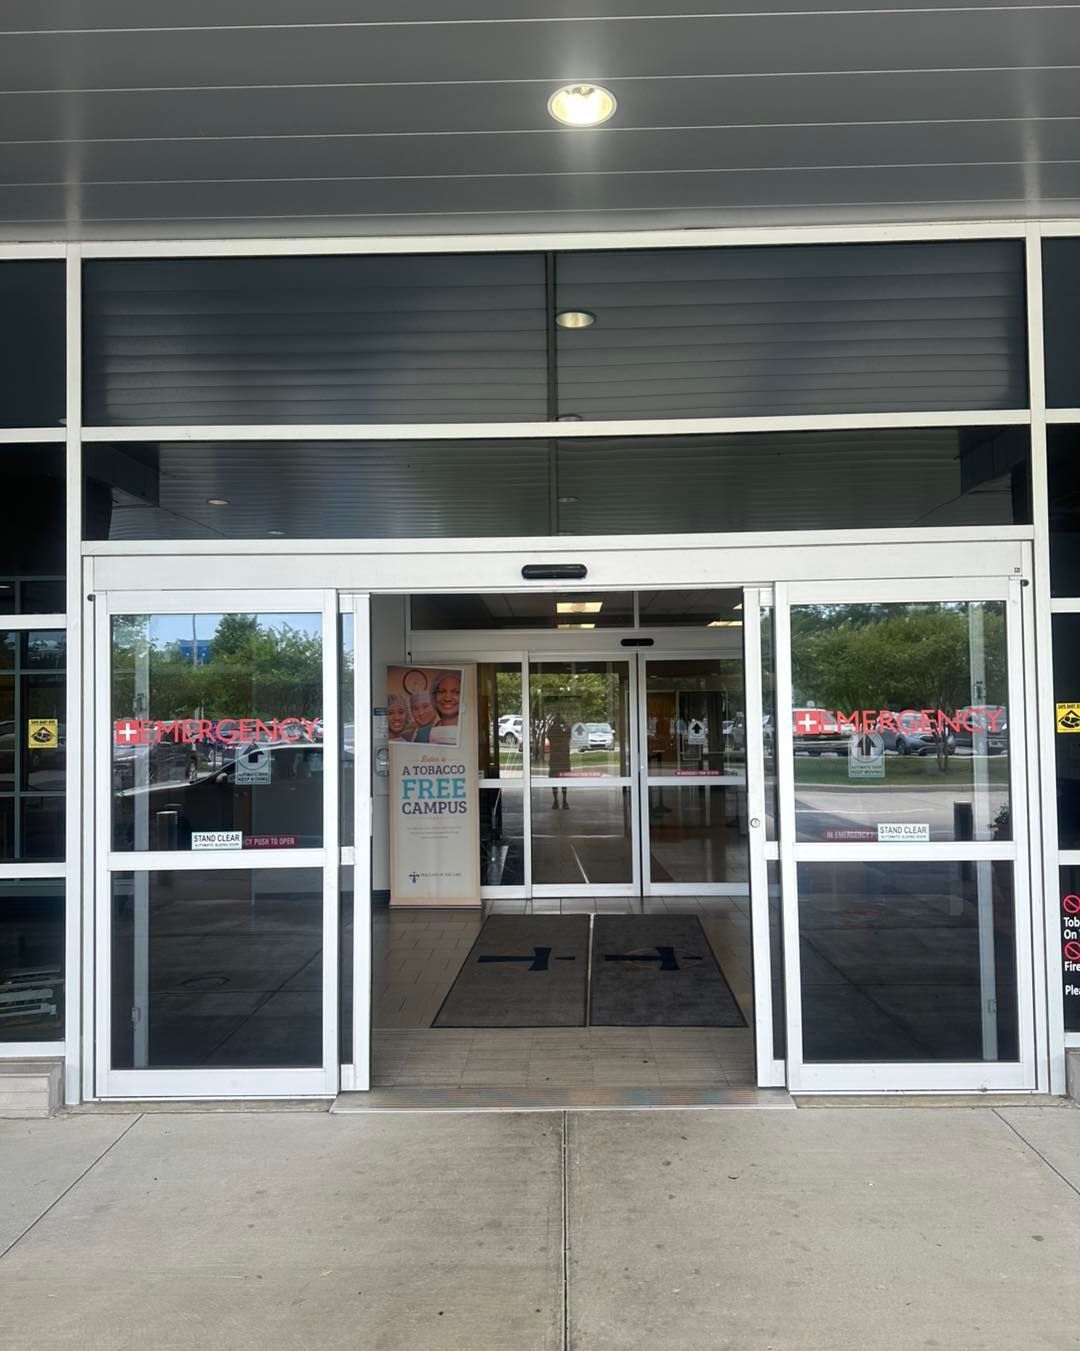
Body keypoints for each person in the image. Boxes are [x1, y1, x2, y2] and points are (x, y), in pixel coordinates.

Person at [547, 709, 571, 808]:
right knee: (560, 781)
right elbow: (569, 731)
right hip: (561, 760)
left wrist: (554, 723)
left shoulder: (554, 734)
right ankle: (562, 801)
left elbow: (549, 732)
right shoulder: (562, 734)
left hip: (557, 760)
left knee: (557, 781)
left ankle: (558, 801)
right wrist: (564, 723)